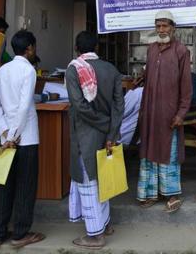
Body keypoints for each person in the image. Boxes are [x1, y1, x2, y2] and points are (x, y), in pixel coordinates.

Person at [66, 31, 123, 249]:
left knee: (88, 181)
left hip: (85, 133)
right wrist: (111, 131)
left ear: (77, 48)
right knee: (103, 179)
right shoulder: (111, 70)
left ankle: (94, 235)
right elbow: (119, 106)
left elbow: (79, 106)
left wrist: (101, 124)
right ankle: (105, 224)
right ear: (96, 47)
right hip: (108, 133)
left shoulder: (74, 69)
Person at [0, 30, 45, 248]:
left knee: (4, 186)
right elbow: (23, 106)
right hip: (25, 137)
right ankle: (20, 234)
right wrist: (13, 135)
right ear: (29, 48)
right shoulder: (28, 70)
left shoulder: (3, 70)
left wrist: (3, 132)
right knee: (25, 185)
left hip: (4, 138)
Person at [137, 10, 192, 213]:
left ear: (173, 28)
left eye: (165, 26)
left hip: (170, 113)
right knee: (150, 150)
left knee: (169, 152)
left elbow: (186, 87)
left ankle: (171, 194)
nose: (161, 30)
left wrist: (181, 113)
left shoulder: (181, 51)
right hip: (150, 112)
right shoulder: (151, 50)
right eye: (158, 26)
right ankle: (150, 193)